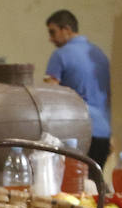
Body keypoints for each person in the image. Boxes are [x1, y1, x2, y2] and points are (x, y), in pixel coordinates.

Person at [42, 9, 111, 166]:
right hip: (103, 132)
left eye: (53, 32)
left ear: (66, 29)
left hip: (77, 133)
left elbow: (50, 94)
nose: (50, 39)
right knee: (94, 184)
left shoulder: (60, 55)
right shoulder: (99, 54)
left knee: (73, 186)